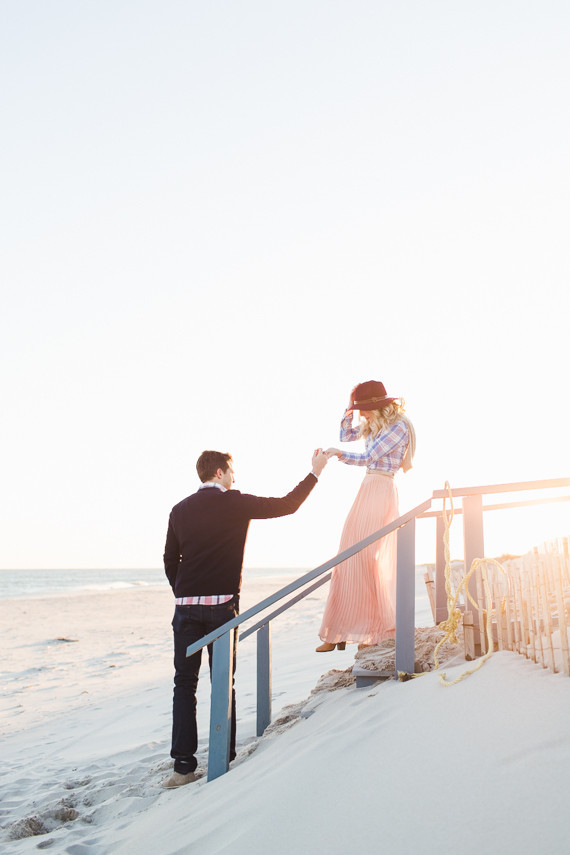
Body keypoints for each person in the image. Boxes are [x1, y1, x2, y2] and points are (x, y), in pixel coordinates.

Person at [162, 447, 329, 788]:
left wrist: (183, 592)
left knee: (184, 684)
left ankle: (182, 767)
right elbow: (287, 505)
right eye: (232, 472)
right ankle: (224, 757)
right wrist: (315, 472)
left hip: (186, 609)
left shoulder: (179, 510)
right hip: (222, 608)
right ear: (221, 473)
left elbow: (169, 558)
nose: (235, 478)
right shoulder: (235, 501)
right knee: (223, 682)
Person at [316, 380, 415, 652]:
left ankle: (373, 631)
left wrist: (337, 455)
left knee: (368, 558)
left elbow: (369, 457)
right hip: (368, 488)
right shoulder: (375, 424)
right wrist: (349, 409)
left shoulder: (399, 426)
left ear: (378, 406)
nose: (362, 415)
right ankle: (340, 631)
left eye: (364, 409)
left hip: (381, 488)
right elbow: (346, 435)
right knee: (348, 553)